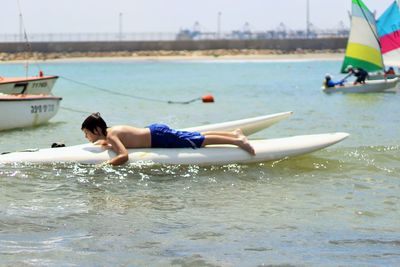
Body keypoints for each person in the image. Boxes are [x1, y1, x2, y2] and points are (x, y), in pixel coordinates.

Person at [81, 112, 256, 166]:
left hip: (158, 138)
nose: (86, 137)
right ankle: (234, 134)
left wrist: (105, 165)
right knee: (192, 136)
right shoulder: (111, 133)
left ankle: (237, 141)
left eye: (87, 133)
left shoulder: (112, 135)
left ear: (96, 129)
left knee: (197, 141)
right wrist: (103, 144)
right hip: (155, 131)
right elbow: (114, 142)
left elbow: (123, 155)